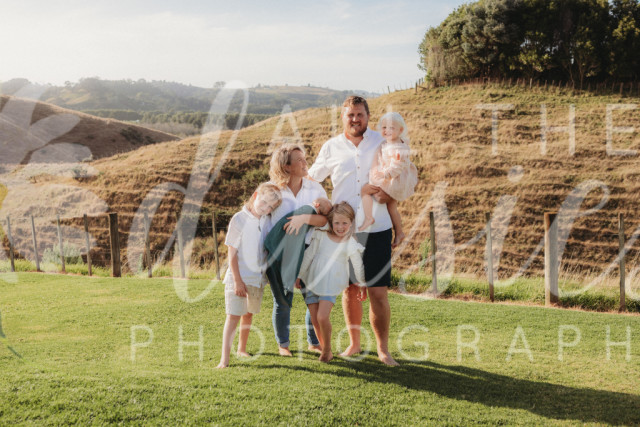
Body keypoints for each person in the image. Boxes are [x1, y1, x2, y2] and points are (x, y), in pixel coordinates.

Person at [308, 95, 399, 366]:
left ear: (368, 116)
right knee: (350, 290)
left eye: (360, 114)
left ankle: (383, 350)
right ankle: (355, 344)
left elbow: (402, 174)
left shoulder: (382, 142)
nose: (355, 119)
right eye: (350, 115)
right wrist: (322, 204)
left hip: (378, 228)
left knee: (378, 292)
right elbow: (312, 179)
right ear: (343, 117)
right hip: (344, 231)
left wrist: (392, 192)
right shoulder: (331, 147)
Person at [264, 143, 329, 356]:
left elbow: (326, 220)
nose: (305, 163)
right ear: (286, 166)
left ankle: (314, 342)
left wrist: (304, 219)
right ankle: (283, 345)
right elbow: (260, 219)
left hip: (310, 251)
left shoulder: (315, 188)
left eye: (304, 158)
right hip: (280, 253)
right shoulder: (273, 190)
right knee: (282, 301)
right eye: (299, 160)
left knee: (313, 299)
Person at [216, 183, 282, 369]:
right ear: (255, 196)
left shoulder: (265, 221)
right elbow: (232, 253)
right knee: (233, 317)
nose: (266, 208)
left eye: (271, 207)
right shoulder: (239, 219)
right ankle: (224, 360)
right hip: (239, 278)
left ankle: (241, 349)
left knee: (248, 314)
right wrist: (238, 281)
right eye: (264, 202)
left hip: (256, 279)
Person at [295, 202, 366, 363]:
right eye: (337, 223)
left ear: (351, 223)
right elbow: (308, 255)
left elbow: (358, 265)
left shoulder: (350, 242)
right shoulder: (320, 235)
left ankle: (327, 350)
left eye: (345, 223)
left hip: (331, 284)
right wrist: (299, 275)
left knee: (322, 316)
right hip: (312, 280)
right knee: (315, 319)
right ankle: (325, 349)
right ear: (331, 222)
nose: (340, 227)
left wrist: (362, 283)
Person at [358, 112, 418, 248]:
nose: (387, 131)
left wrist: (383, 174)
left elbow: (397, 167)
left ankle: (369, 218)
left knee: (366, 192)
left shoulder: (398, 148)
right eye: (384, 127)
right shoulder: (389, 143)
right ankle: (399, 232)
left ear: (400, 130)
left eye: (391, 128)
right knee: (392, 208)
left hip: (393, 179)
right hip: (391, 178)